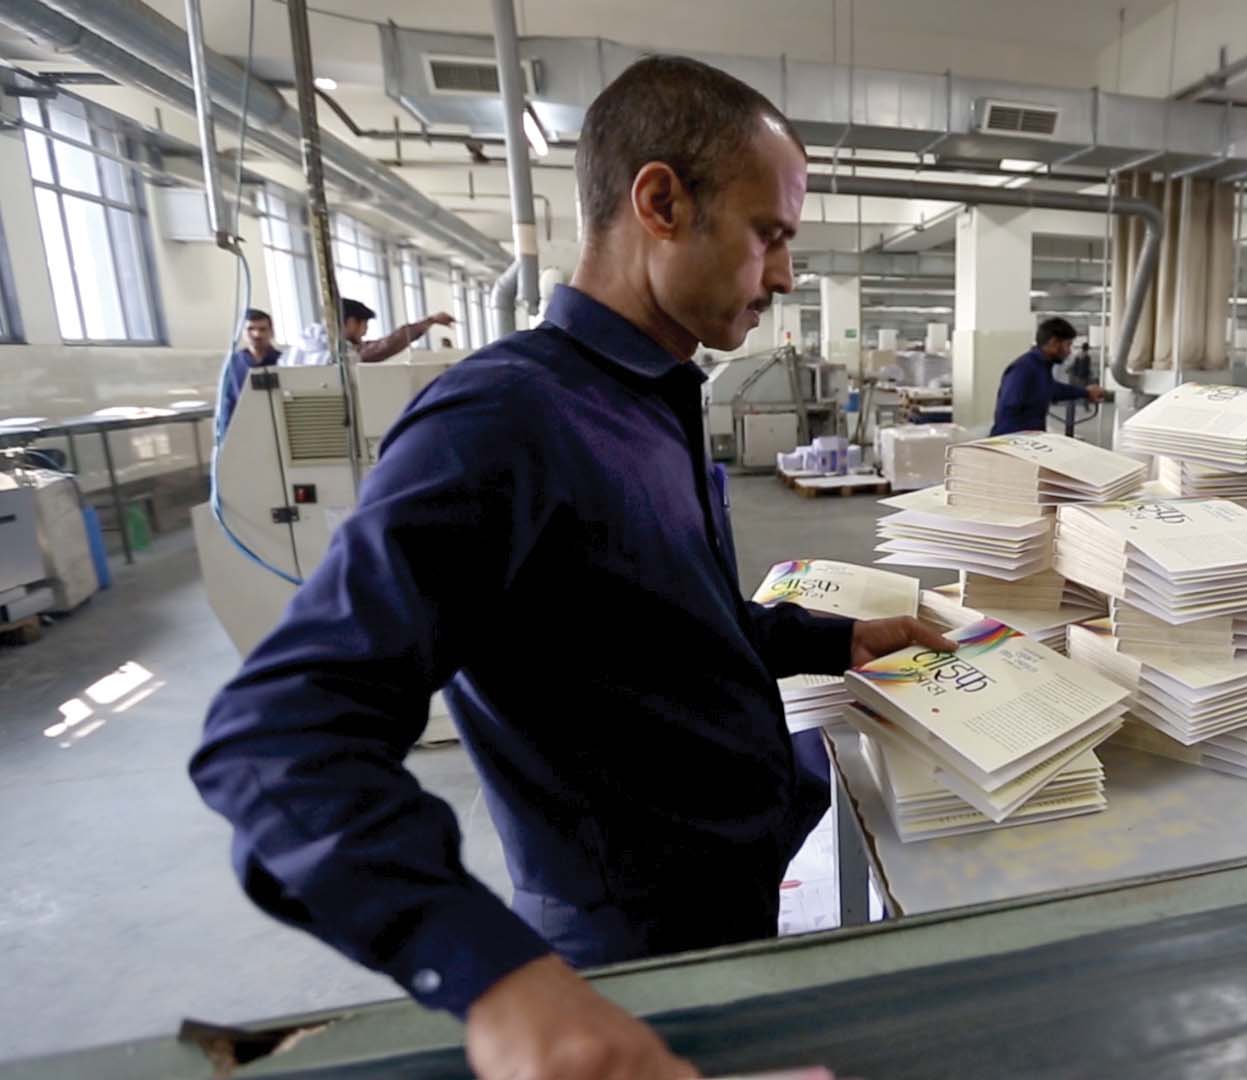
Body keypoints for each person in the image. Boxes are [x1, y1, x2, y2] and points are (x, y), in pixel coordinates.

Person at [191, 56, 954, 1080]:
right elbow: (279, 738)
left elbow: (662, 616)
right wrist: (496, 979)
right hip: (625, 958)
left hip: (725, 902)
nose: (782, 276)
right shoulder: (503, 420)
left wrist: (833, 637)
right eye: (768, 235)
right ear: (661, 203)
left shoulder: (650, 398)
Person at [989, 316, 1106, 436]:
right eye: (1068, 345)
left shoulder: (1041, 366)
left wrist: (1086, 392)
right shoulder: (1024, 368)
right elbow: (1010, 409)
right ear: (1054, 343)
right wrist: (1024, 440)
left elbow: (1053, 389)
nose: (1069, 351)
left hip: (1029, 439)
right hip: (1013, 441)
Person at [216, 308, 280, 440]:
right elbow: (227, 403)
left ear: (271, 332)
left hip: (278, 429)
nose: (257, 334)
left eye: (262, 329)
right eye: (250, 329)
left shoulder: (283, 361)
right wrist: (225, 439)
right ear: (242, 332)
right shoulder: (233, 363)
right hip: (245, 432)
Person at [341, 297, 456, 363]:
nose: (366, 330)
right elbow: (386, 346)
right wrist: (430, 321)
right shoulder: (343, 353)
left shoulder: (339, 349)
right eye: (365, 324)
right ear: (351, 322)